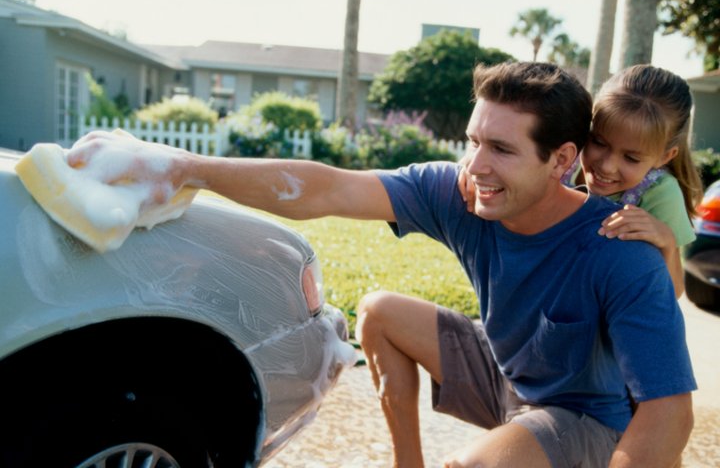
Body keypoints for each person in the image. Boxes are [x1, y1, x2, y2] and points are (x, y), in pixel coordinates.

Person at [67, 61, 696, 468]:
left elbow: (668, 412)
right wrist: (186, 167)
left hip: (580, 414)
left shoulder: (622, 253)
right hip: (508, 371)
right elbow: (327, 188)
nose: (475, 165)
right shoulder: (460, 191)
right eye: (474, 140)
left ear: (561, 161)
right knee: (379, 311)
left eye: (501, 149)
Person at [458, 64, 704, 298]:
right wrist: (472, 171)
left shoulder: (660, 193)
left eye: (631, 157)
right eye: (598, 142)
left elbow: (672, 294)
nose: (606, 165)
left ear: (664, 156)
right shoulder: (567, 159)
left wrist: (667, 243)